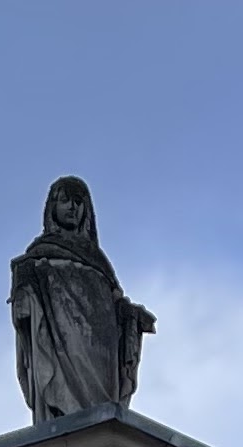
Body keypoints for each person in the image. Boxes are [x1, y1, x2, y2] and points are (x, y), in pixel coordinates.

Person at [10, 178, 154, 423]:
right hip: (60, 334)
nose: (72, 207)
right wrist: (25, 286)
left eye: (78, 202)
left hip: (101, 342)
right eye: (65, 200)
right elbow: (26, 304)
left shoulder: (98, 260)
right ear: (52, 207)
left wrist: (130, 314)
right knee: (65, 392)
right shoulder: (39, 254)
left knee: (102, 406)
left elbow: (115, 300)